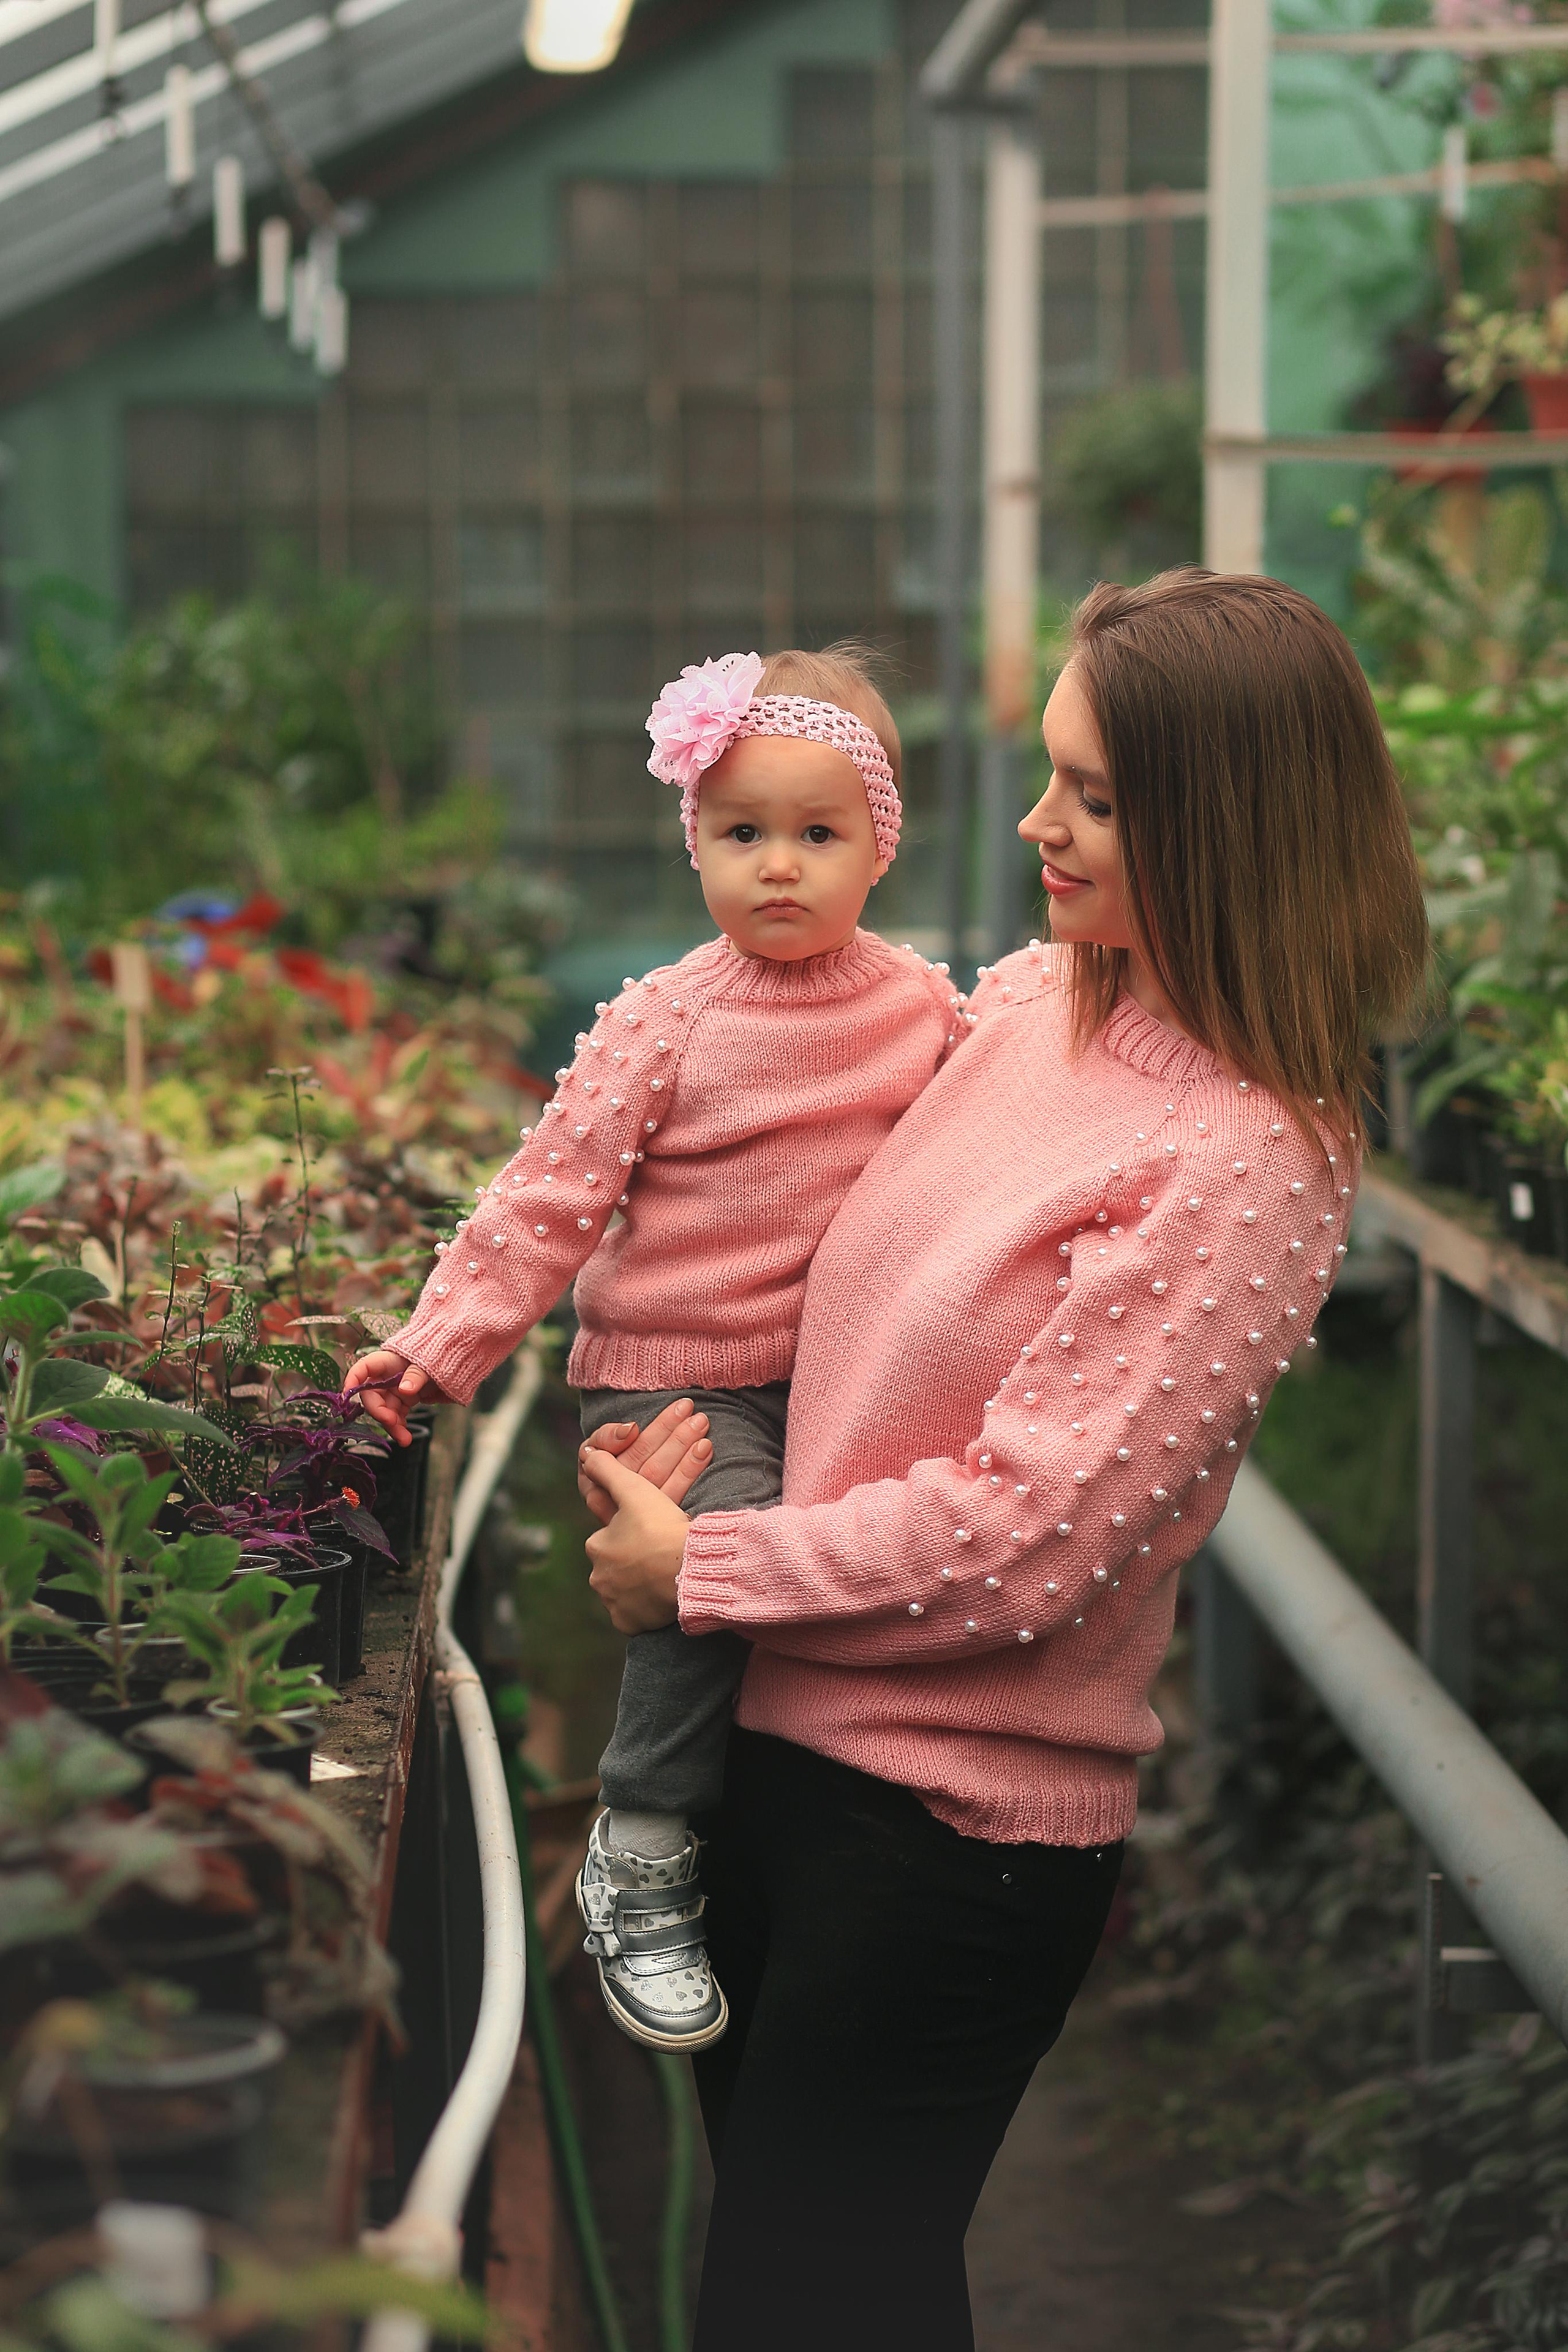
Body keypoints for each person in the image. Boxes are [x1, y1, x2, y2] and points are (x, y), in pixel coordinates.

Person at [575, 569, 1430, 2352]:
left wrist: (702, 1572)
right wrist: (679, 1409)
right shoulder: (1035, 1001)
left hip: (945, 1839)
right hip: (778, 1767)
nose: (1037, 823)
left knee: (802, 2308)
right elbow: (838, 1287)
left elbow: (1034, 1538)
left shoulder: (1248, 1154)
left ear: (1227, 823)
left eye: (1098, 797)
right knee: (825, 2299)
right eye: (1050, 774)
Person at [344, 642, 962, 2052]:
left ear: (880, 846)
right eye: (741, 833)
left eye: (819, 834)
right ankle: (643, 1831)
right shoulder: (665, 1021)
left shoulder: (923, 1008)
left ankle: (840, 1841)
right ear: (694, 842)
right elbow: (544, 1203)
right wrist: (441, 1349)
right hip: (678, 1366)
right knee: (718, 1538)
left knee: (868, 1559)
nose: (779, 866)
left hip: (842, 1366)